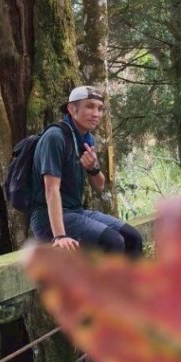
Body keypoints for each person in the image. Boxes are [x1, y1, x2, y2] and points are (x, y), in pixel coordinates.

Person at [29, 85, 143, 256]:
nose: (96, 113)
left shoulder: (86, 138)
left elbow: (100, 186)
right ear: (72, 109)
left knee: (133, 237)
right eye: (89, 106)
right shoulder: (55, 137)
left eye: (100, 108)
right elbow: (51, 189)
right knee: (113, 241)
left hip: (76, 212)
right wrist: (60, 236)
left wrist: (93, 168)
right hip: (48, 218)